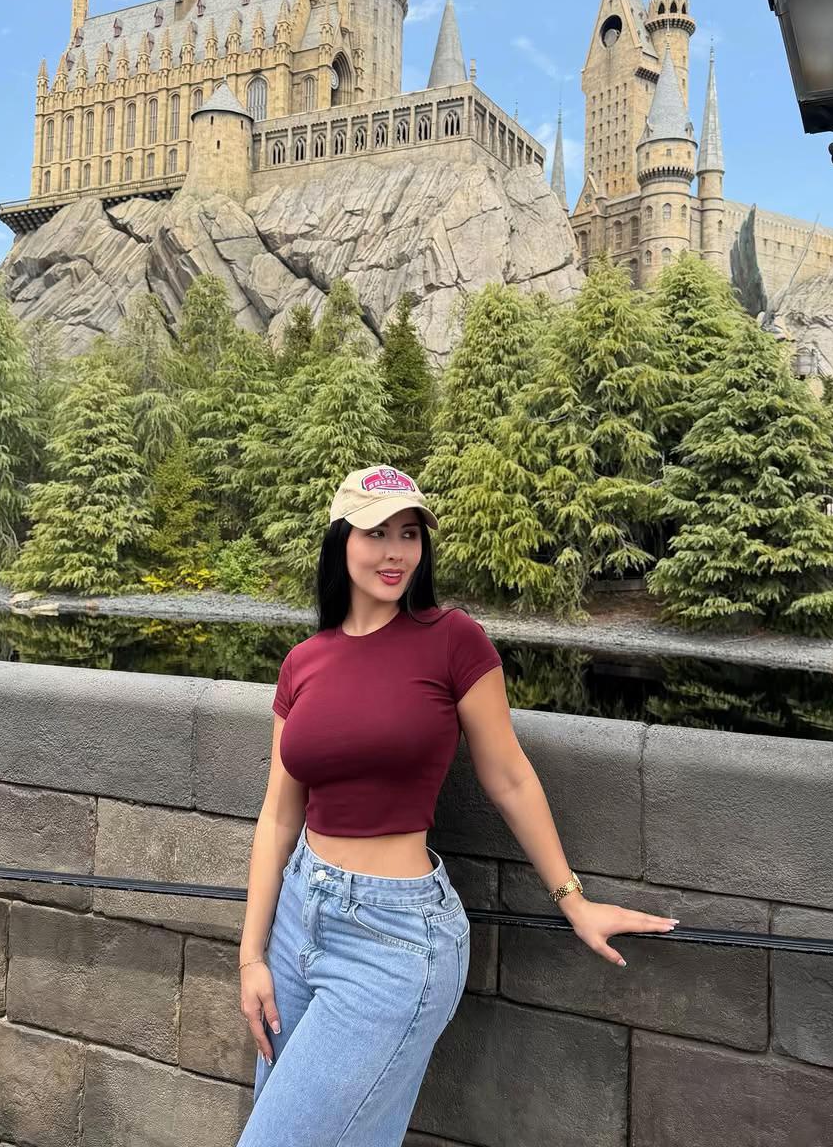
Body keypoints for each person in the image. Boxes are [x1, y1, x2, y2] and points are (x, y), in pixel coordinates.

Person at [234, 464, 677, 1146]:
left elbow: (509, 777)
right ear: (340, 540)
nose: (395, 552)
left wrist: (573, 898)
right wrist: (252, 954)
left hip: (394, 938)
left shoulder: (452, 640)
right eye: (376, 533)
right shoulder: (303, 662)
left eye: (409, 534)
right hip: (298, 918)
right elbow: (279, 816)